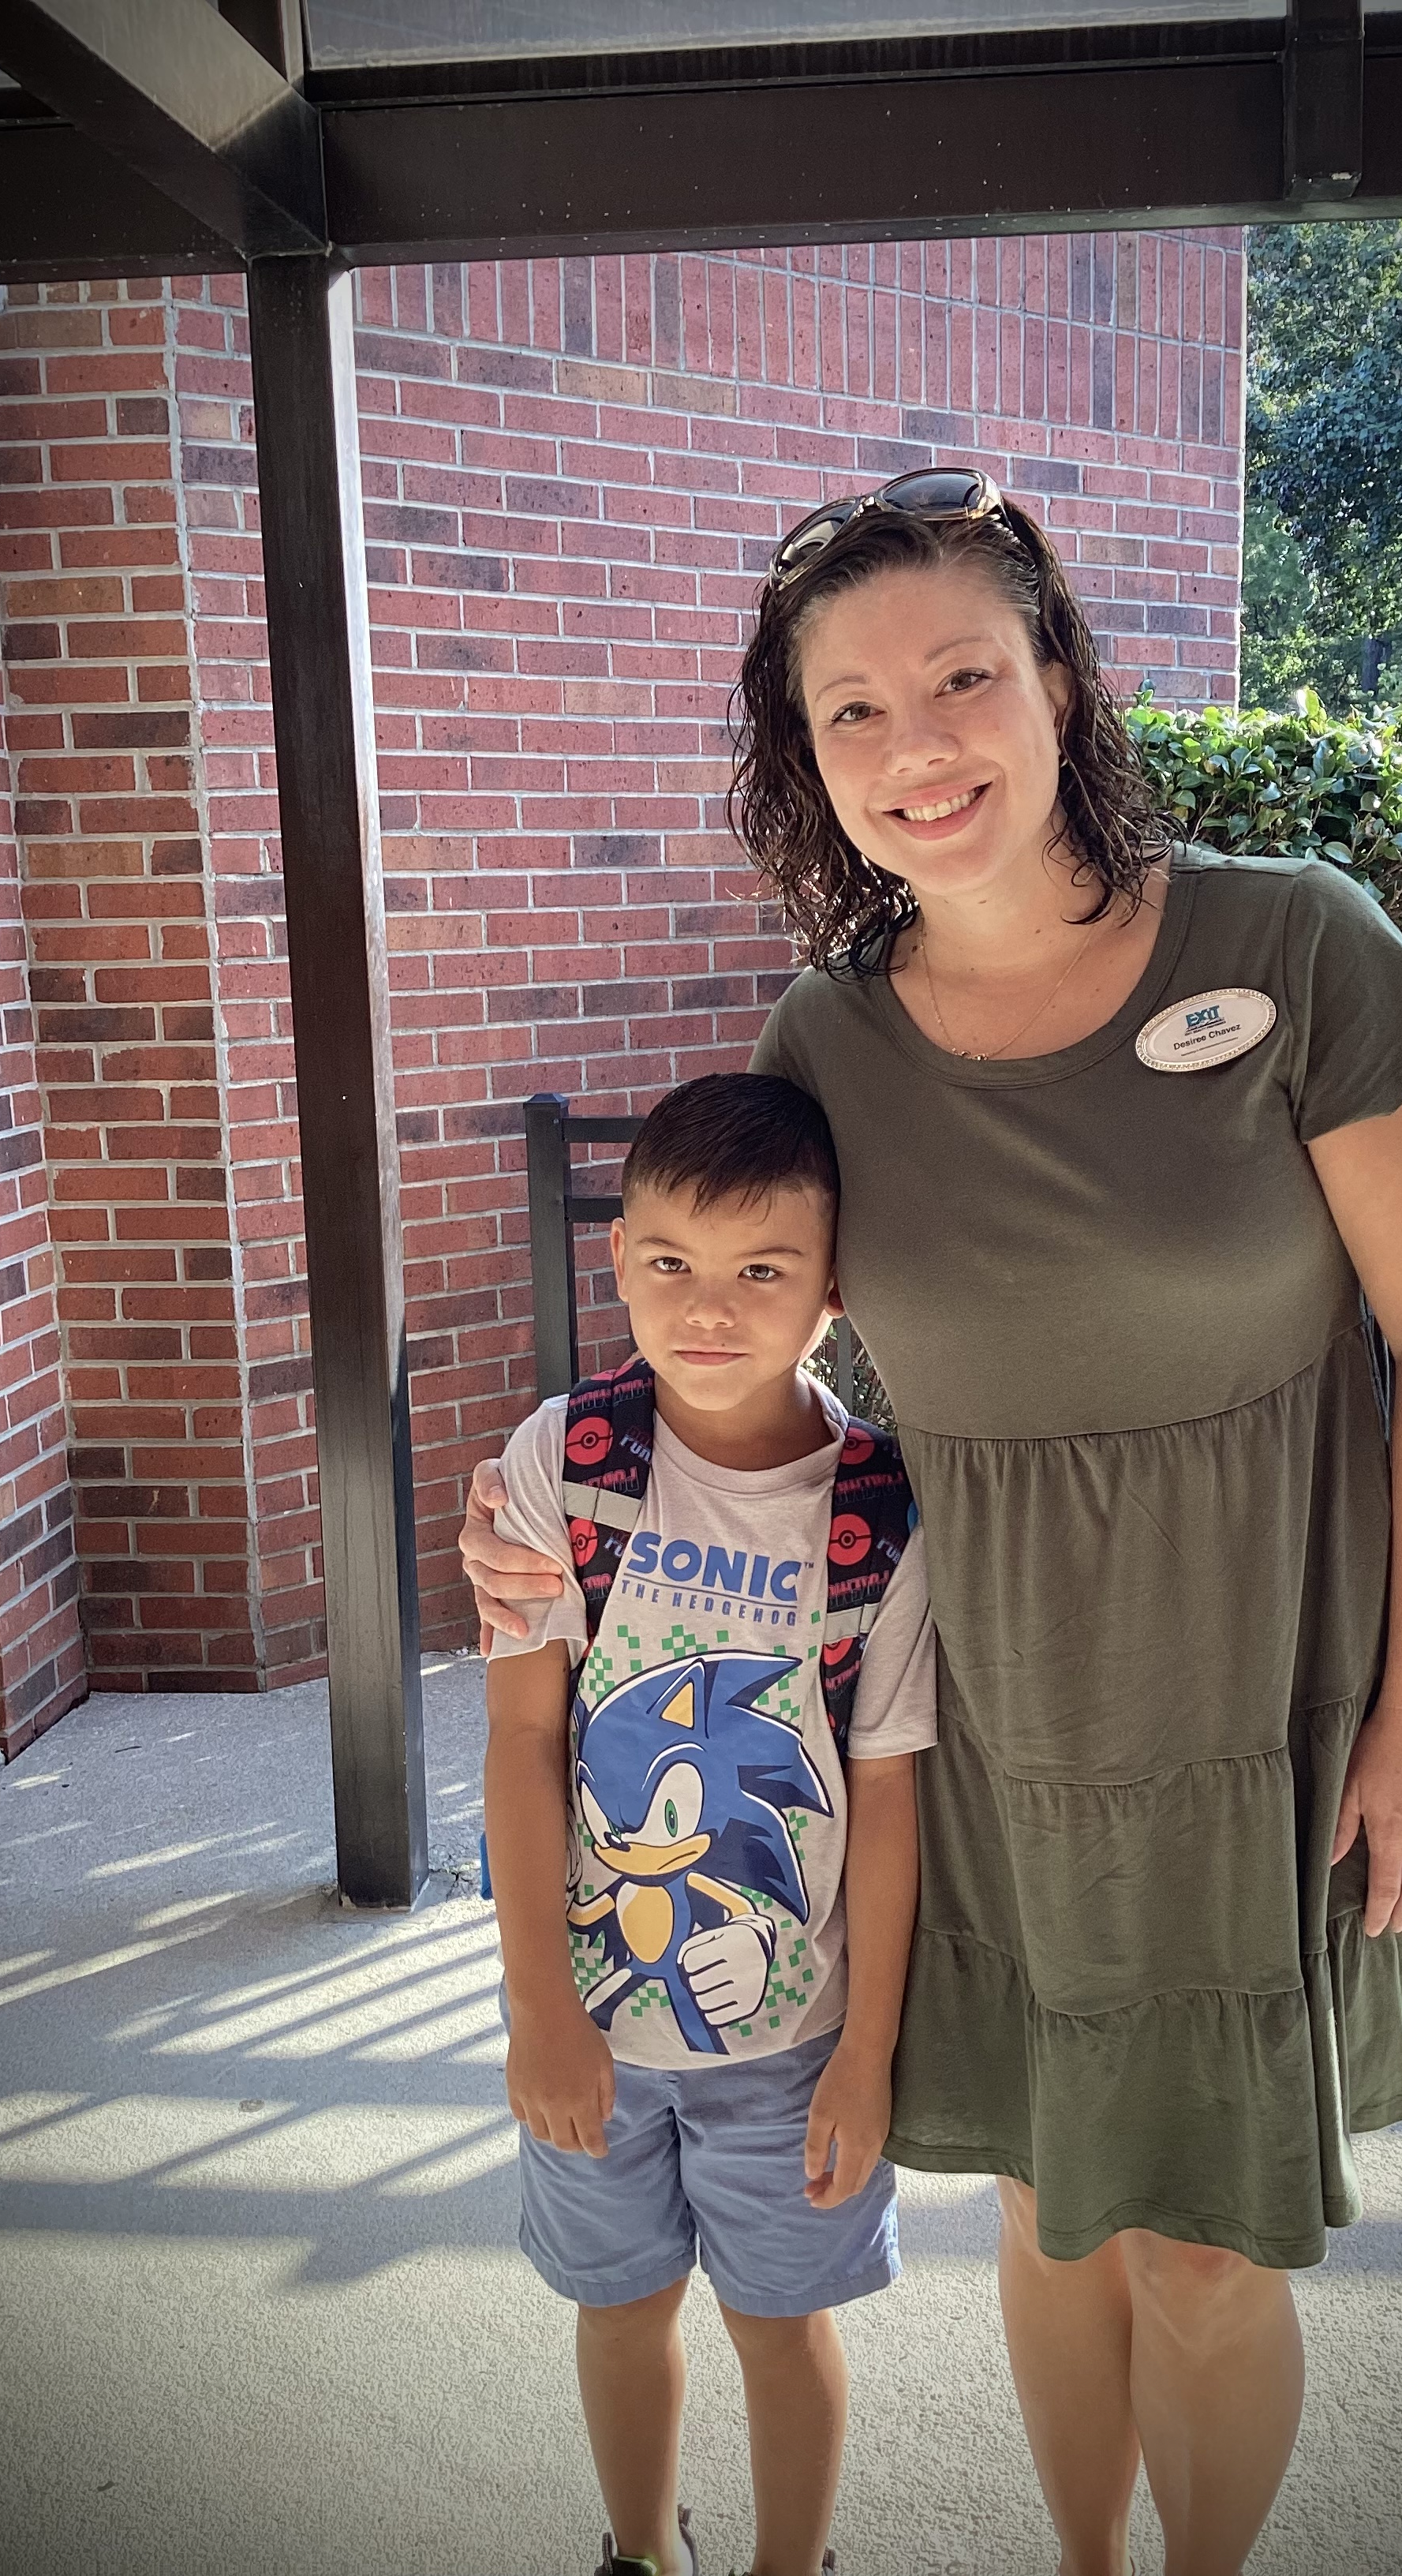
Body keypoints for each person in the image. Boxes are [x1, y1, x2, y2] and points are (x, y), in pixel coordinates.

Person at [465, 471, 1402, 2576]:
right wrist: (544, 1510)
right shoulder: (827, 1041)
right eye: (850, 712)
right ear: (804, 762)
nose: (915, 749)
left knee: (1207, 2245)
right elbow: (736, 1352)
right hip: (989, 1720)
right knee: (1051, 2202)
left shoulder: (1293, 947)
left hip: (1262, 1696)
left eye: (960, 680)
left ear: (1062, 689)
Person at [483, 1071, 937, 2576]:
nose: (708, 1309)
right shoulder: (568, 1462)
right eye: (669, 1263)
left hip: (792, 2044)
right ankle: (640, 2550)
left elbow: (886, 1795)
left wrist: (865, 2053)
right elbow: (526, 1741)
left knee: (779, 2323)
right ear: (616, 1258)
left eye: (763, 1272)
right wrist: (540, 2006)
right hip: (594, 2039)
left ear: (834, 1288)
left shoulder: (881, 1508)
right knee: (617, 2314)